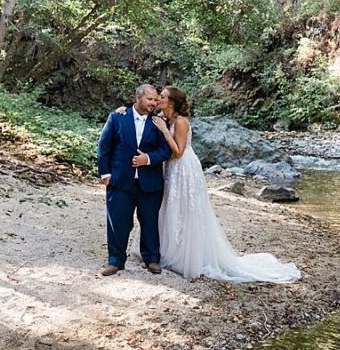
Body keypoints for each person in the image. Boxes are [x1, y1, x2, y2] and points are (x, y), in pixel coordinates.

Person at [117, 87, 300, 283]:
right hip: (170, 169)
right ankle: (165, 250)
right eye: (157, 96)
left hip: (185, 169)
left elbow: (178, 152)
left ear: (171, 102)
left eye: (162, 96)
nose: (157, 99)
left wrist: (164, 131)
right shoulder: (162, 116)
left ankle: (186, 255)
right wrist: (123, 110)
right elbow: (140, 112)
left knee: (186, 210)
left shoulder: (180, 122)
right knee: (168, 207)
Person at [97, 84, 174, 276]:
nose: (153, 103)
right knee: (118, 221)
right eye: (150, 99)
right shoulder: (117, 117)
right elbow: (104, 147)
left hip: (150, 183)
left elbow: (166, 151)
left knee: (149, 222)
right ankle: (115, 261)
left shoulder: (158, 122)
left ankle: (152, 259)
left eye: (156, 100)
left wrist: (147, 159)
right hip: (120, 181)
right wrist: (105, 175)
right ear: (138, 97)